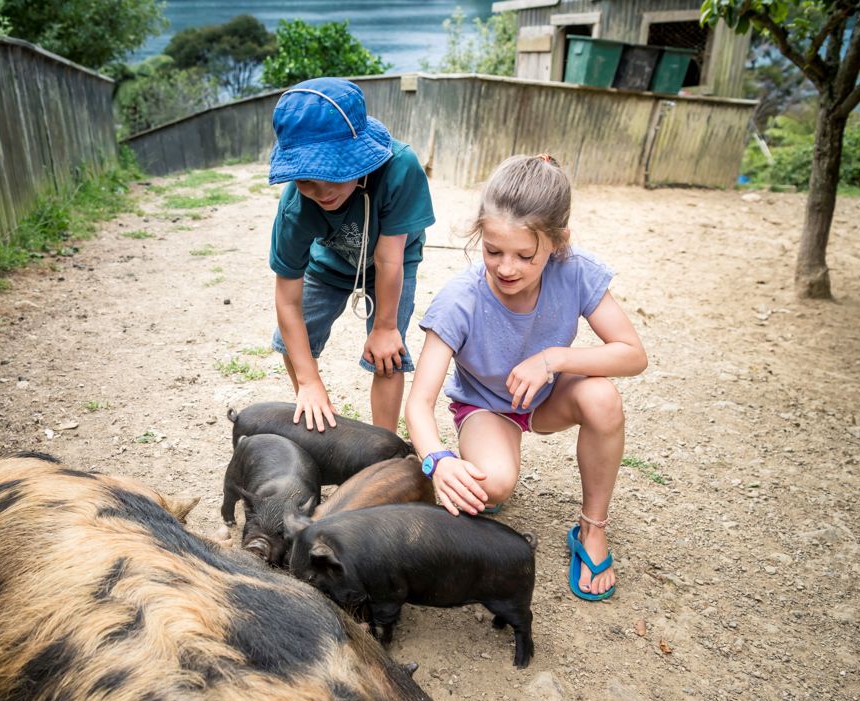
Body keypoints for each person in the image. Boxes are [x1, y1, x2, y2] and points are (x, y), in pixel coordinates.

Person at [404, 154, 647, 602]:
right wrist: (437, 459)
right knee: (490, 485)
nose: (507, 268)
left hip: (551, 395)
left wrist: (553, 358)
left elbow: (633, 355)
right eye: (493, 251)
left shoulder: (575, 271)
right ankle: (484, 461)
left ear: (558, 242)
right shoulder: (461, 299)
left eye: (525, 255)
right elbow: (418, 402)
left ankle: (592, 530)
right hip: (488, 408)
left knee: (603, 398)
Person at [267, 77, 435, 433]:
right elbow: (287, 301)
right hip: (328, 263)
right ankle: (316, 418)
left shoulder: (400, 167)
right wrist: (310, 381)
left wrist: (386, 327)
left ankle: (383, 446)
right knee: (291, 342)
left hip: (393, 262)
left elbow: (390, 258)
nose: (322, 191)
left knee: (388, 354)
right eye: (306, 179)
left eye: (334, 173)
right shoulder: (295, 210)